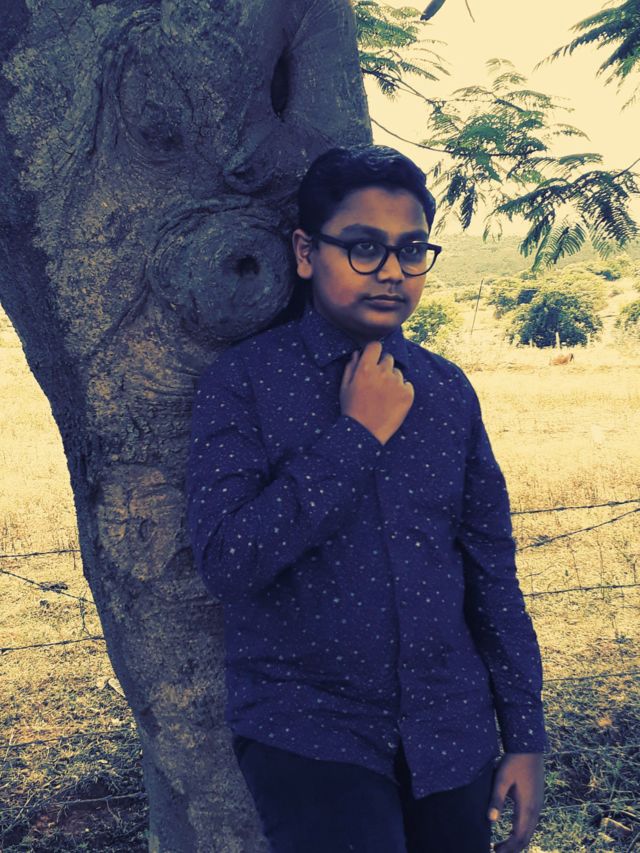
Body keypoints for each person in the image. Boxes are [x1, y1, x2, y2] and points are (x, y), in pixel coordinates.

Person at [186, 144, 548, 853]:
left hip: (451, 732)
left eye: (411, 250)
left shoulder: (447, 392)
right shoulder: (245, 382)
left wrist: (526, 734)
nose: (391, 271)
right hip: (310, 734)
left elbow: (492, 574)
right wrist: (357, 434)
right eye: (363, 247)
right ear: (304, 252)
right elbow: (228, 559)